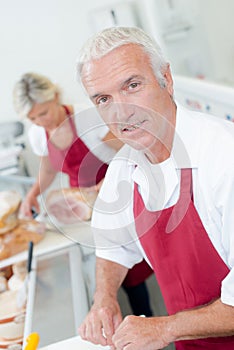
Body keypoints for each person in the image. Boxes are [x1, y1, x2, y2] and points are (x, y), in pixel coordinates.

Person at [76, 26, 234, 349]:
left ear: (167, 79)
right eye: (103, 99)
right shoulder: (124, 167)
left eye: (132, 86)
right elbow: (112, 243)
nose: (121, 111)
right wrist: (104, 298)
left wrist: (164, 329)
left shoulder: (223, 156)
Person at [13, 71, 153, 317]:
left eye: (43, 112)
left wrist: (106, 185)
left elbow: (130, 150)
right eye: (33, 118)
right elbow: (47, 169)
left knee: (131, 270)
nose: (41, 122)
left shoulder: (87, 118)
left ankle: (147, 317)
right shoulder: (38, 134)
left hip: (119, 192)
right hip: (83, 202)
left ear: (55, 96)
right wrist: (32, 195)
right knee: (99, 267)